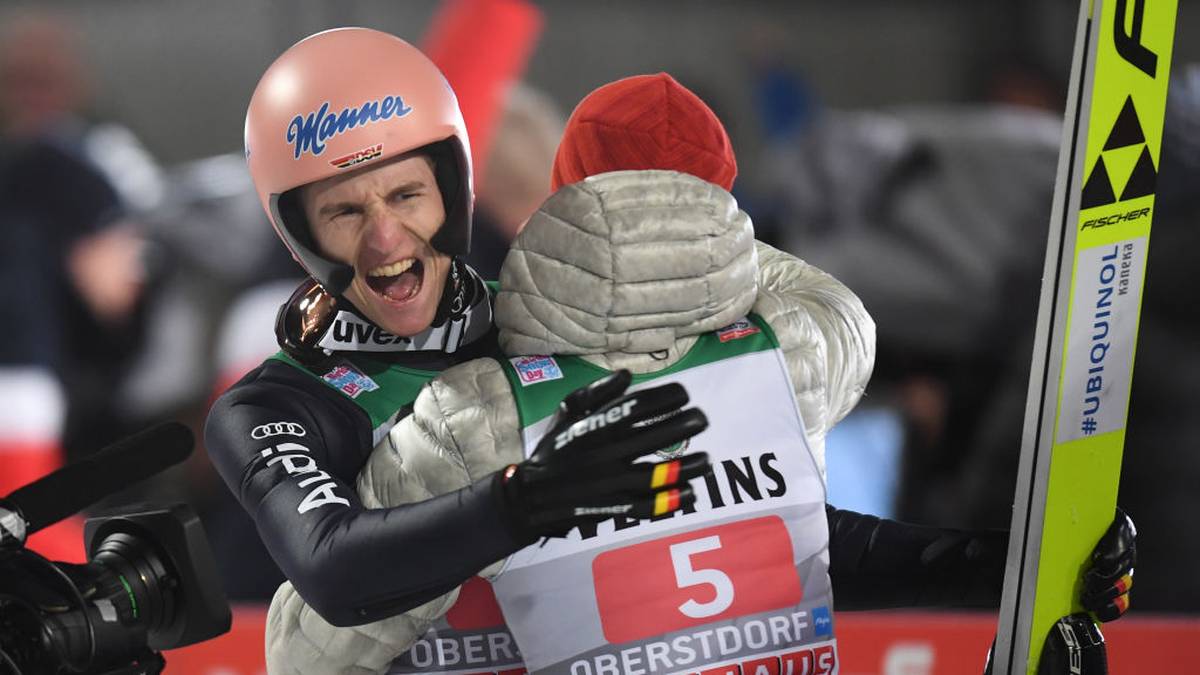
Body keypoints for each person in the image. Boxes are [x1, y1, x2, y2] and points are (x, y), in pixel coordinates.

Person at [264, 73, 1137, 675]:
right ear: (720, 204)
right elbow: (810, 529)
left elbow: (306, 649)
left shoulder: (477, 412)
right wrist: (1013, 566)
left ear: (563, 203)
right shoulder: (790, 354)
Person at [204, 29, 708, 675]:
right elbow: (332, 568)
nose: (385, 240)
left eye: (405, 196)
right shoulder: (271, 405)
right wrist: (525, 501)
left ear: (454, 189)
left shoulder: (557, 321)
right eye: (344, 212)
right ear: (300, 236)